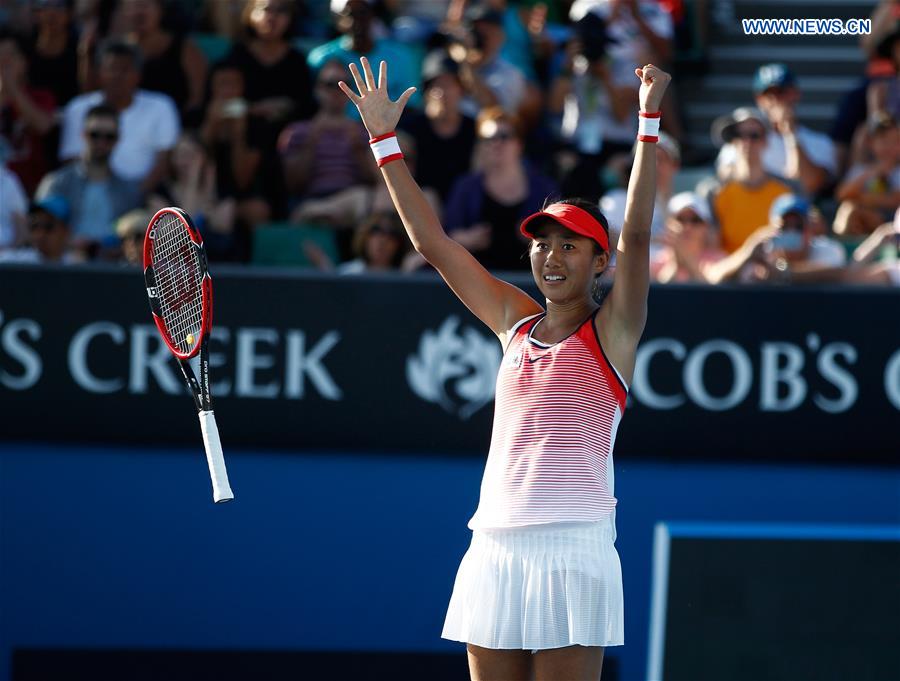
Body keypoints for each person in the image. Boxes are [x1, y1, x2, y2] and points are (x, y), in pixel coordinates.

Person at [339, 55, 670, 681]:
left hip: (575, 546)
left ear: (600, 262)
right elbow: (432, 244)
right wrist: (383, 138)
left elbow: (638, 237)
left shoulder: (614, 332)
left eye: (570, 245)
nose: (551, 255)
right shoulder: (512, 321)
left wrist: (647, 123)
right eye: (542, 242)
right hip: (494, 543)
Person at [444, 106, 557, 271]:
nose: (496, 143)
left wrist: (536, 238)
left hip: (532, 281)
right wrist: (469, 238)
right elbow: (447, 236)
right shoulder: (465, 187)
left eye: (504, 136)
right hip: (478, 281)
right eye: (488, 138)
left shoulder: (544, 188)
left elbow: (558, 237)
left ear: (519, 144)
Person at [59, 39, 180, 191]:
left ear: (138, 75)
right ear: (99, 73)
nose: (117, 75)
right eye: (111, 68)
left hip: (144, 196)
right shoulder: (78, 108)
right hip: (88, 192)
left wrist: (133, 199)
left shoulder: (162, 106)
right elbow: (71, 161)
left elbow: (164, 162)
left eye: (125, 69)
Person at [716, 63, 837, 196]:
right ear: (758, 99)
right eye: (767, 95)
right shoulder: (745, 136)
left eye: (781, 92)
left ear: (795, 94)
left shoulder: (820, 143)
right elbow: (725, 178)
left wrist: (791, 134)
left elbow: (809, 185)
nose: (775, 100)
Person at [36, 103, 142, 253]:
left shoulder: (129, 191)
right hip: (63, 266)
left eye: (109, 137)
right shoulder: (56, 182)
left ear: (117, 140)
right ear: (83, 135)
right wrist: (71, 244)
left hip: (113, 270)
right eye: (95, 135)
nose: (101, 142)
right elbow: (38, 231)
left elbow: (133, 242)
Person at [279, 59, 376, 208]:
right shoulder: (297, 131)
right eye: (330, 85)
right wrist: (310, 143)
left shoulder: (364, 132)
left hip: (355, 200)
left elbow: (373, 181)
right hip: (312, 202)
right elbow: (292, 186)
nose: (337, 91)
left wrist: (358, 149)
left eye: (344, 85)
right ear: (317, 89)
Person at [708, 106, 795, 253]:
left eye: (754, 135)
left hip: (774, 269)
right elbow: (710, 246)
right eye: (739, 135)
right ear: (732, 141)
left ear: (766, 141)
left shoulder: (787, 189)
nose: (746, 142)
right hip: (729, 270)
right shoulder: (714, 192)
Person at [118, 0, 208, 120]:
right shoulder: (115, 50)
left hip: (177, 123)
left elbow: (197, 98)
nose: (139, 12)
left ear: (160, 11)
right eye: (133, 6)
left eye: (144, 5)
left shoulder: (185, 49)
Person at [0, 29, 57, 195]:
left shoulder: (41, 97)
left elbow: (43, 126)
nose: (4, 63)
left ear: (24, 62)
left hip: (30, 190)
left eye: (10, 57)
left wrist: (12, 89)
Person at [833, 113, 900, 236]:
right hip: (868, 222)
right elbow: (841, 195)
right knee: (848, 209)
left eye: (895, 141)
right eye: (884, 140)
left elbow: (896, 200)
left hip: (894, 226)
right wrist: (873, 172)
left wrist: (861, 198)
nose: (890, 146)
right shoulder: (862, 169)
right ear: (871, 143)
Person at [651, 190, 724, 283]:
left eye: (695, 220)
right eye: (681, 219)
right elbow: (658, 294)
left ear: (706, 226)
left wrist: (684, 259)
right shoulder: (654, 260)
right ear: (668, 224)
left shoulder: (719, 260)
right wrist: (675, 264)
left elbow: (710, 293)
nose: (688, 227)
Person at [0, 196, 76, 264]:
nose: (40, 233)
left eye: (48, 227)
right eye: (35, 226)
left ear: (66, 231)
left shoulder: (76, 266)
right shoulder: (14, 262)